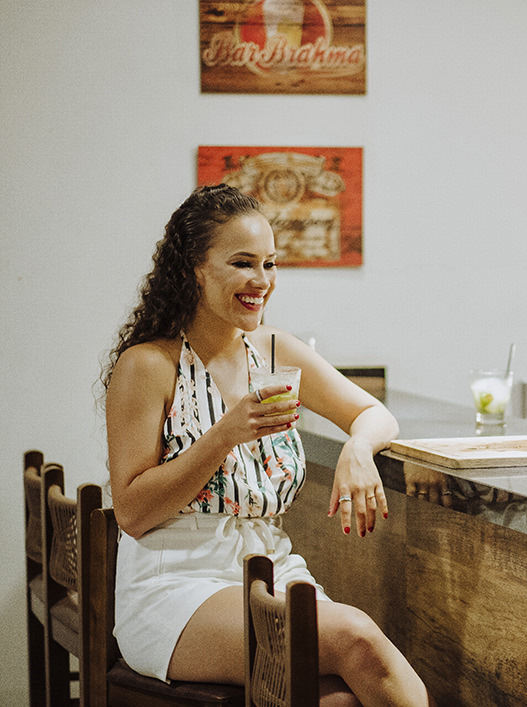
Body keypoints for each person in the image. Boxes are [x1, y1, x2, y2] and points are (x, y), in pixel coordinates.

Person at [102, 184, 431, 706]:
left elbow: (374, 414)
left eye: (271, 263)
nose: (262, 281)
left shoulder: (276, 350)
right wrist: (226, 433)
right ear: (195, 269)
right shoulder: (148, 365)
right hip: (177, 587)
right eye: (243, 263)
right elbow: (132, 511)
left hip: (270, 568)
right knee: (360, 639)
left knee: (341, 702)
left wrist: (358, 451)